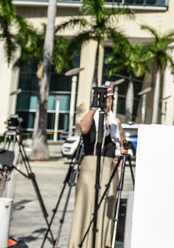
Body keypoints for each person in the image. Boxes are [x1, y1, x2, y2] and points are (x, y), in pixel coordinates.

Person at [69, 81, 128, 248]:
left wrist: (120, 159)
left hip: (109, 165)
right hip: (91, 163)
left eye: (109, 98)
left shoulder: (114, 121)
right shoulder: (92, 116)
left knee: (105, 207)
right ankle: (81, 242)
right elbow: (85, 128)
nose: (107, 101)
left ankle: (103, 243)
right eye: (104, 97)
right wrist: (94, 106)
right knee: (86, 203)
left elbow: (122, 143)